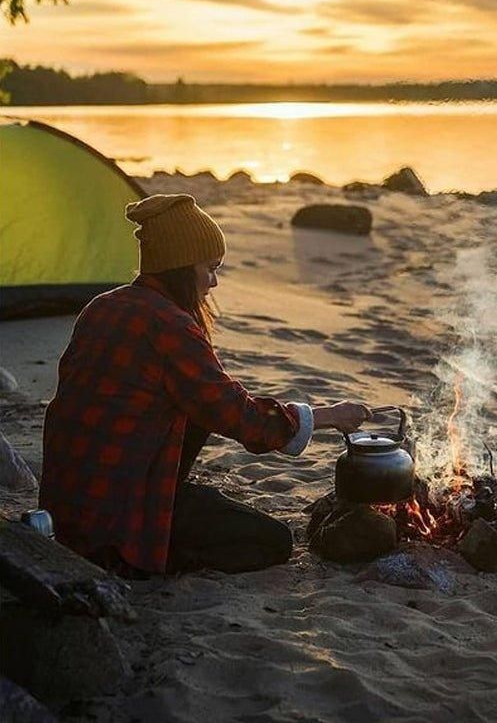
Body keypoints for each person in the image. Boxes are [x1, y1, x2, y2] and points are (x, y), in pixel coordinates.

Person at [39, 193, 371, 577]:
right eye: (210, 268)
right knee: (272, 542)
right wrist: (330, 416)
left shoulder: (103, 306)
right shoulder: (169, 326)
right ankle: (154, 558)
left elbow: (211, 400)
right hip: (116, 515)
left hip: (66, 504)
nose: (213, 282)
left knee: (196, 411)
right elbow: (242, 417)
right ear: (181, 267)